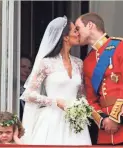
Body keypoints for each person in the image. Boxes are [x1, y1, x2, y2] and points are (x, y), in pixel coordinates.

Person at [75, 12, 123, 146]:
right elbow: (90, 99)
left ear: (90, 25)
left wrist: (116, 118)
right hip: (105, 131)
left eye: (78, 28)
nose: (76, 33)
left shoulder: (122, 46)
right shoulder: (88, 61)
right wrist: (103, 120)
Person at [20, 16, 91, 145]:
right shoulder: (46, 63)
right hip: (51, 121)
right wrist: (55, 102)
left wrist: (82, 106)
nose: (78, 33)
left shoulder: (79, 63)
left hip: (75, 122)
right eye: (75, 30)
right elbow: (29, 94)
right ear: (65, 37)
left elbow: (81, 94)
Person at [20, 55, 32, 121]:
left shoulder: (32, 91)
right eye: (23, 67)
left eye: (29, 68)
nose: (27, 70)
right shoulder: (8, 91)